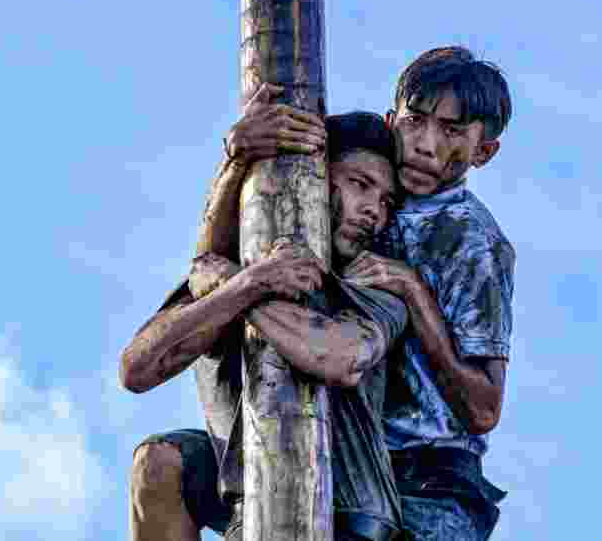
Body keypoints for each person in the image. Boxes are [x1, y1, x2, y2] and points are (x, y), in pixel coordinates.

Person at [120, 90, 406, 541]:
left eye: (387, 202)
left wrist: (244, 287)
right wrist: (246, 282)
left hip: (351, 527)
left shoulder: (376, 290)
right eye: (360, 184)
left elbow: (338, 358)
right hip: (250, 517)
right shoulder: (226, 280)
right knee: (159, 462)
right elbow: (137, 368)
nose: (374, 210)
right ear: (316, 177)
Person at [343, 46, 516, 541]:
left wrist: (414, 293)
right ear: (390, 120)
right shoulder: (358, 184)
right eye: (415, 121)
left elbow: (484, 410)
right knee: (168, 465)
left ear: (483, 151)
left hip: (431, 486)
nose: (424, 144)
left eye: (452, 131)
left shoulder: (473, 241)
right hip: (343, 463)